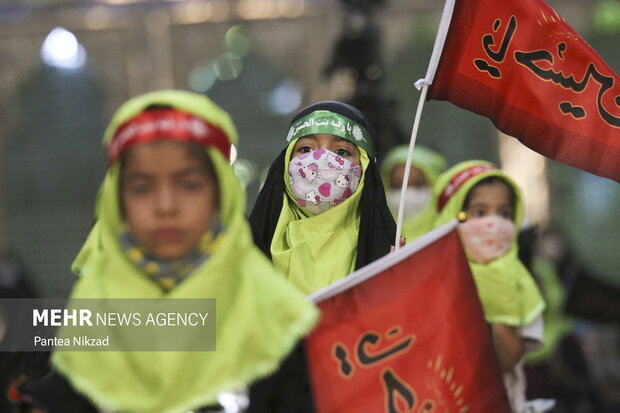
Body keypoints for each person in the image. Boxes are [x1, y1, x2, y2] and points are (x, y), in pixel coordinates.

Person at [24, 90, 319, 413]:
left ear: (222, 194)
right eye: (142, 188)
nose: (166, 206)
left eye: (189, 184)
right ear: (116, 202)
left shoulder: (278, 324)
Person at [431, 160, 546, 413]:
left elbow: (506, 359)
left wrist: (494, 294)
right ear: (452, 214)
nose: (493, 224)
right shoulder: (428, 277)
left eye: (504, 213)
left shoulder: (519, 283)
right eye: (480, 212)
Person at [249, 101, 396, 295]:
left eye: (342, 152)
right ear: (285, 163)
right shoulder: (241, 249)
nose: (321, 160)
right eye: (306, 149)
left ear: (364, 168)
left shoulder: (389, 253)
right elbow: (200, 321)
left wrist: (399, 284)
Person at [380, 145, 446, 241]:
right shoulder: (372, 239)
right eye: (397, 186)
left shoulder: (452, 236)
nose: (407, 193)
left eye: (417, 185)